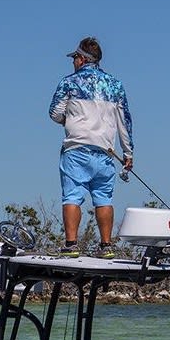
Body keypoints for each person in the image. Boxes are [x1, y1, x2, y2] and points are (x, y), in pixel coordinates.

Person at [49, 36, 134, 257]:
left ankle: (71, 245)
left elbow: (55, 113)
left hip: (76, 150)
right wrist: (128, 152)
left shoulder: (69, 82)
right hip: (106, 152)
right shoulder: (115, 85)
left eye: (74, 58)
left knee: (72, 196)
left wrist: (70, 120)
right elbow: (125, 121)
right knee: (104, 198)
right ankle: (106, 246)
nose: (73, 62)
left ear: (81, 59)